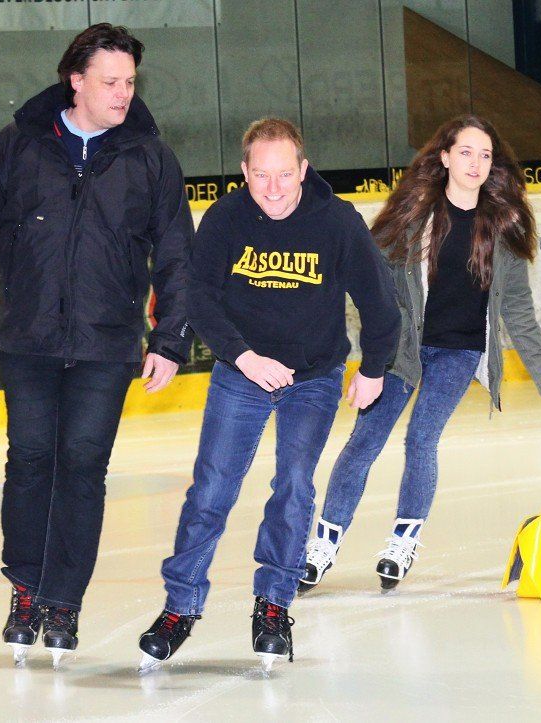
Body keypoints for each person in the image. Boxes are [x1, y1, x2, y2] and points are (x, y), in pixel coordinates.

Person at [0, 24, 193, 668]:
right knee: (29, 460)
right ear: (75, 81)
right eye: (110, 82)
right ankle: (26, 589)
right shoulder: (19, 144)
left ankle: (63, 600)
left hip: (107, 342)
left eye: (130, 82)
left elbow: (177, 255)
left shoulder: (151, 157)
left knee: (82, 465)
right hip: (29, 336)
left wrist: (169, 339)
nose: (123, 93)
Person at [137, 118, 400, 671]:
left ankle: (274, 605)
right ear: (244, 172)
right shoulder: (226, 219)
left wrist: (374, 368)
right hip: (242, 373)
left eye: (285, 174)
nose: (274, 188)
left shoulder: (336, 221)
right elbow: (199, 298)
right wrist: (244, 357)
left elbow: (379, 300)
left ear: (303, 169)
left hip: (313, 378)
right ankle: (180, 606)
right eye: (261, 176)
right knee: (211, 490)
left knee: (295, 485)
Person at [298, 115, 541, 594]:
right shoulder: (414, 216)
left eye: (485, 155)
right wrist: (370, 352)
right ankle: (323, 545)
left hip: (459, 351)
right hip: (403, 347)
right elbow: (371, 279)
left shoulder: (502, 225)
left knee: (422, 439)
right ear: (444, 157)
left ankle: (401, 543)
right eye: (465, 152)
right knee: (365, 441)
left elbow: (518, 307)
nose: (475, 163)